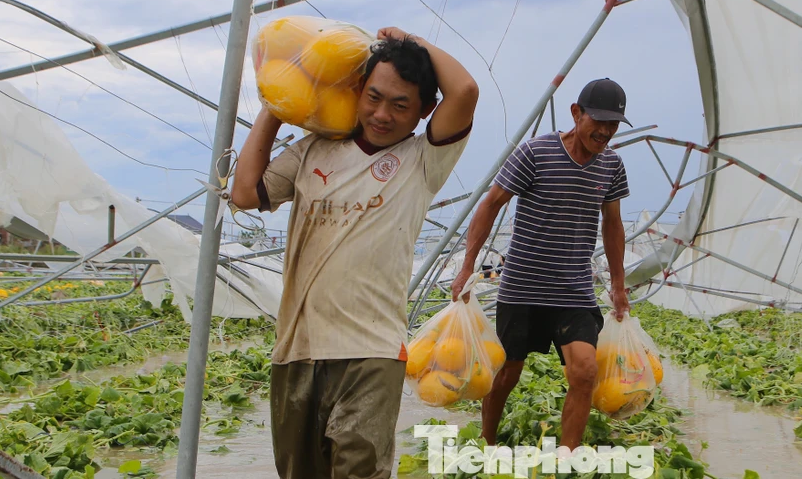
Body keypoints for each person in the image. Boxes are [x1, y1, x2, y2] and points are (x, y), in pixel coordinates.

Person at [231, 27, 478, 479]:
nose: (382, 115)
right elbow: (245, 193)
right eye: (374, 97)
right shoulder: (313, 150)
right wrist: (276, 106)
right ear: (358, 91)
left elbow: (464, 90)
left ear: (425, 110)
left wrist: (412, 41)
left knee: (359, 471)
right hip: (297, 349)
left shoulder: (422, 161)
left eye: (400, 105)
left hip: (372, 351)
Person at [450, 78, 632, 450]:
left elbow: (612, 224)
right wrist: (468, 265)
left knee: (585, 371)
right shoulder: (535, 153)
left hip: (574, 291)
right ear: (576, 113)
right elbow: (491, 203)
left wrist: (618, 284)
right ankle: (486, 442)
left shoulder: (611, 165)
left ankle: (567, 456)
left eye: (613, 124)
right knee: (506, 374)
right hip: (523, 287)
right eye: (599, 121)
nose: (605, 132)